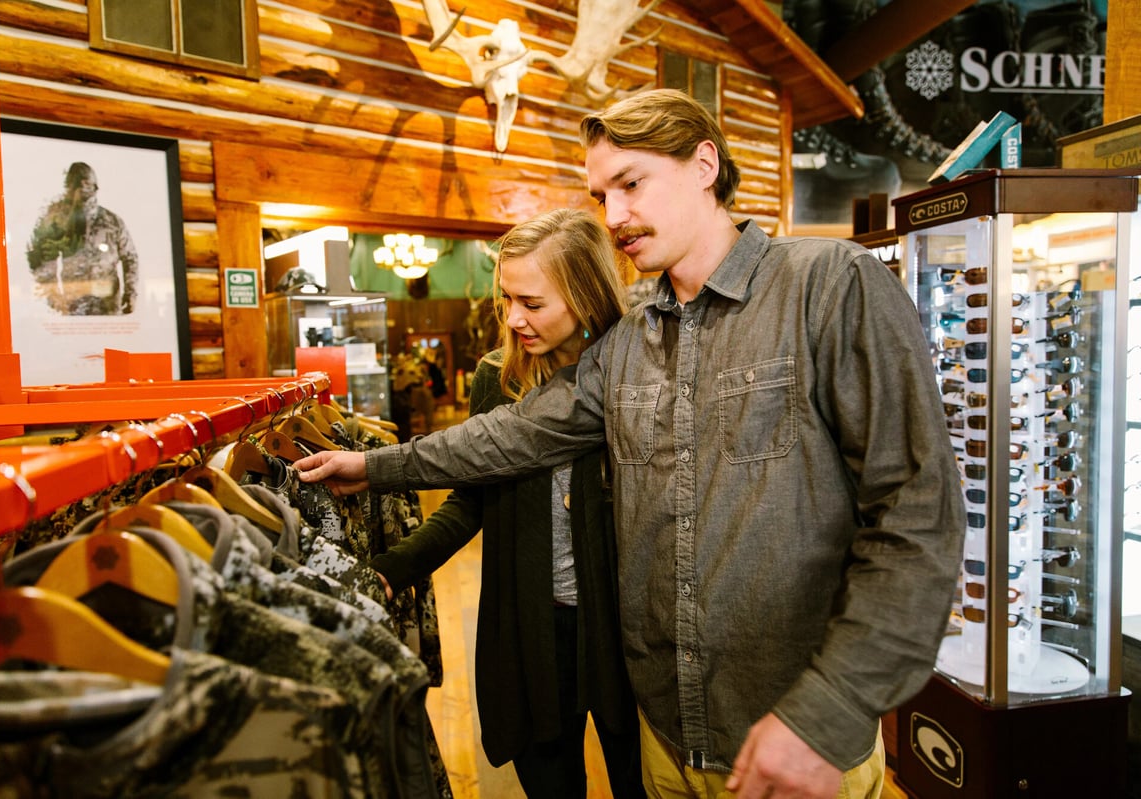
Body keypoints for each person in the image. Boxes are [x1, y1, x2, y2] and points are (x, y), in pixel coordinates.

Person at [297, 89, 964, 799]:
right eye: (601, 196)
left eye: (632, 184)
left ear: (704, 164)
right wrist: (374, 465)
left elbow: (917, 515)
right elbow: (514, 434)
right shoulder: (628, 342)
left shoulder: (828, 285)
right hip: (664, 736)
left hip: (792, 741)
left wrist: (831, 710)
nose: (613, 216)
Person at [370, 208, 642, 798]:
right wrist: (395, 568)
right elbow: (470, 499)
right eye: (507, 299)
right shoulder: (498, 377)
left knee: (636, 777)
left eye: (532, 303)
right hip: (530, 625)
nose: (514, 318)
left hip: (621, 631)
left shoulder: (634, 372)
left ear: (585, 296)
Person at [26, 161, 139, 315]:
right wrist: (54, 298)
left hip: (108, 307)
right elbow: (46, 261)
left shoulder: (112, 221)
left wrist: (131, 293)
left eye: (86, 183)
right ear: (70, 187)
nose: (83, 188)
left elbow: (130, 258)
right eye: (77, 184)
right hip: (73, 307)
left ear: (95, 186)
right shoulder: (60, 222)